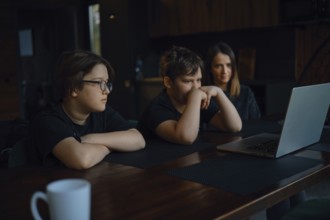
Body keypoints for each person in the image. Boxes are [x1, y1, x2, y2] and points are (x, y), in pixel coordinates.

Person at [25, 50, 145, 169]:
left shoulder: (101, 113)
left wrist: (89, 139)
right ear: (74, 88)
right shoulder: (47, 120)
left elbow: (138, 140)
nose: (107, 91)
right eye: (99, 82)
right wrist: (113, 145)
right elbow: (82, 159)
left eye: (107, 83)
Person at [137, 46, 242, 145]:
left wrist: (219, 92)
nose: (195, 87)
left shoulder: (198, 102)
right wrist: (195, 97)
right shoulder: (156, 108)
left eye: (199, 80)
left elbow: (235, 126)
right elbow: (185, 137)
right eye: (187, 81)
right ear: (168, 82)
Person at [204, 42, 261, 121]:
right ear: (210, 69)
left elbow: (257, 123)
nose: (225, 71)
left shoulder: (246, 92)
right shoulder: (205, 97)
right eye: (218, 66)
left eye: (228, 65)